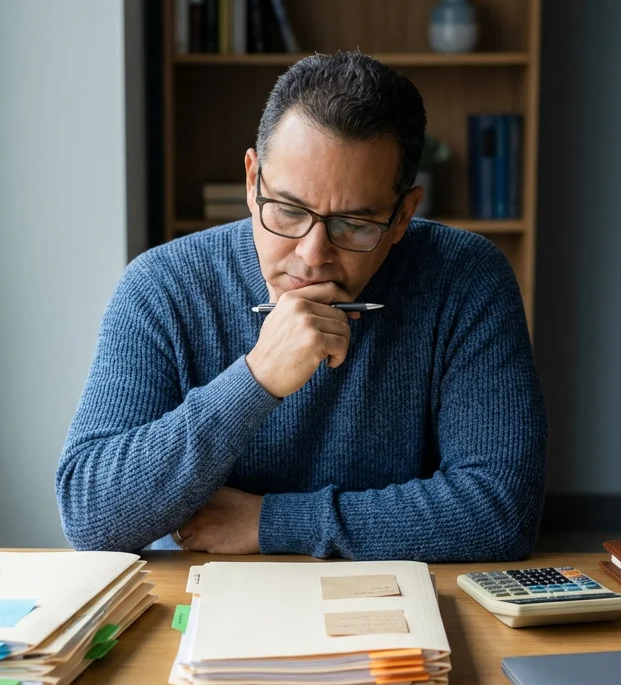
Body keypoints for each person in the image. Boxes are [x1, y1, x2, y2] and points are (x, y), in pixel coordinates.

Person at [55, 51, 546, 562]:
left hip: (388, 597)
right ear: (252, 181)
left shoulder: (466, 279)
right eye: (289, 211)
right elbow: (90, 516)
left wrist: (270, 522)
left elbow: (500, 510)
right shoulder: (162, 285)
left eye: (353, 224)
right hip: (200, 592)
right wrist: (256, 379)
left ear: (402, 216)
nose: (312, 255)